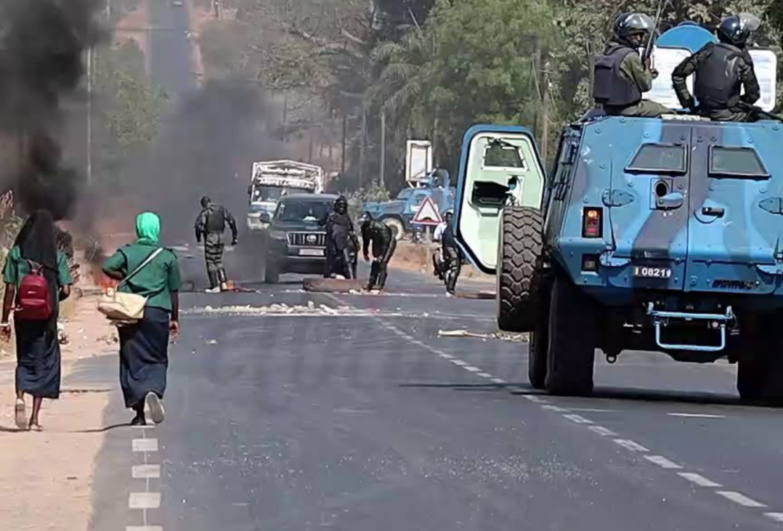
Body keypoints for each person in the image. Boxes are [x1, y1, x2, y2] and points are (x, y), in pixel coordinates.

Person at [103, 212, 182, 426]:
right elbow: (174, 290)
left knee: (131, 358)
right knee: (157, 356)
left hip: (131, 311)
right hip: (158, 312)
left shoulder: (127, 252)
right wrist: (174, 318)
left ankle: (138, 413)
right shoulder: (167, 256)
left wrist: (126, 277)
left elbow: (107, 266)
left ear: (138, 229)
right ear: (156, 229)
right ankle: (154, 390)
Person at [0, 210, 72, 430]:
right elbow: (67, 290)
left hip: (23, 315)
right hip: (46, 319)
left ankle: (20, 396)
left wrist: (4, 320)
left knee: (25, 357)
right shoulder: (55, 257)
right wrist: (53, 300)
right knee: (43, 362)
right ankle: (33, 419)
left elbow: (10, 288)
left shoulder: (16, 254)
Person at [671, 14, 761, 122]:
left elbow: (678, 75)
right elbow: (753, 95)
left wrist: (688, 103)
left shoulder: (706, 52)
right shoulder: (742, 60)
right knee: (759, 116)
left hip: (702, 111)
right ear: (739, 37)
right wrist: (738, 103)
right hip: (729, 116)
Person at [593, 12, 670, 118]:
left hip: (608, 108)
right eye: (635, 35)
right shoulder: (631, 56)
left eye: (641, 35)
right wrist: (647, 67)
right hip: (628, 108)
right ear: (626, 34)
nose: (639, 38)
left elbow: (622, 75)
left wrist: (649, 73)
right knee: (667, 112)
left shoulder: (611, 51)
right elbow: (645, 86)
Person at [194, 196, 237, 293]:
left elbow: (198, 226)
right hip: (221, 237)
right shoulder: (221, 209)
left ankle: (214, 285)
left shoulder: (205, 212)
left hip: (210, 237)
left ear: (203, 204)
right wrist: (235, 236)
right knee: (218, 261)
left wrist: (199, 237)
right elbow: (231, 221)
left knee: (210, 261)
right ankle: (223, 283)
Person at [361, 212, 396, 291]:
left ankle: (380, 284)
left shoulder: (381, 227)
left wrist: (382, 255)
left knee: (383, 262)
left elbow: (386, 242)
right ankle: (372, 281)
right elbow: (365, 241)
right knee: (375, 261)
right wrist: (365, 253)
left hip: (389, 241)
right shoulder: (364, 228)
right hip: (377, 241)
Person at [324, 196, 357, 279]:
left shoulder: (347, 218)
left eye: (343, 206)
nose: (341, 208)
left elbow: (351, 230)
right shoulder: (332, 217)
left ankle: (351, 279)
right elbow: (329, 230)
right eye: (340, 206)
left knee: (348, 261)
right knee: (331, 263)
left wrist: (355, 242)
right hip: (333, 244)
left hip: (344, 243)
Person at [440, 211, 462, 295]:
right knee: (455, 267)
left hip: (450, 248)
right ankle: (450, 288)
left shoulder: (449, 227)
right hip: (453, 248)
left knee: (454, 266)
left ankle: (450, 286)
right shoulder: (455, 226)